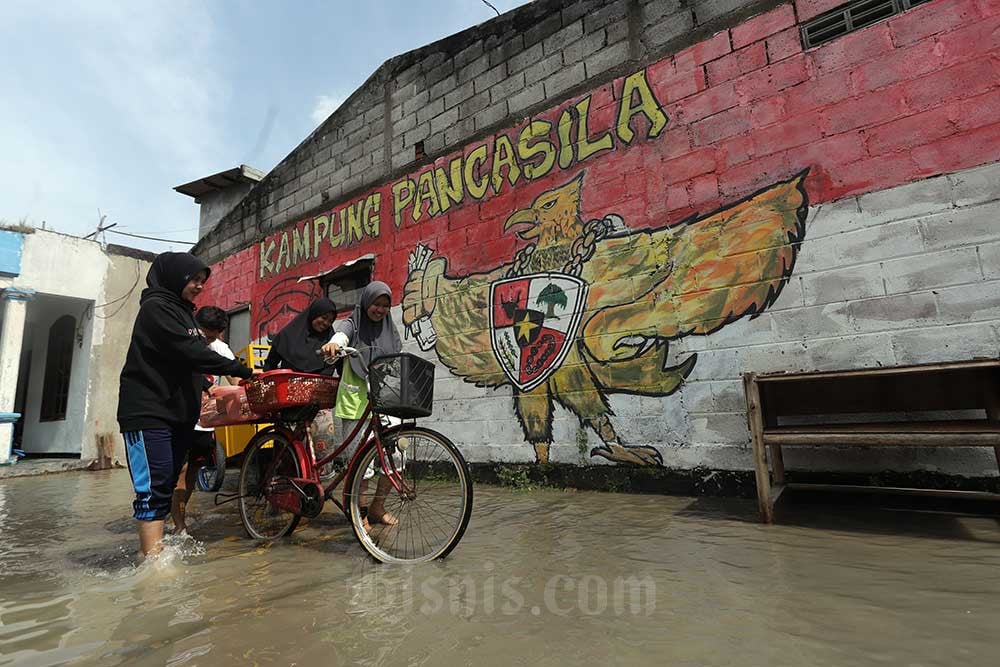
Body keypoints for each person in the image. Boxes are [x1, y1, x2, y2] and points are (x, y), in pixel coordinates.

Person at [118, 252, 254, 558]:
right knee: (154, 485)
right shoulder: (156, 308)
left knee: (167, 481)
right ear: (176, 277)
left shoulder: (184, 313)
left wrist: (207, 388)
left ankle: (158, 549)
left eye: (202, 282)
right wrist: (243, 371)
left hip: (179, 413)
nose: (198, 287)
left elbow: (184, 361)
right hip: (149, 412)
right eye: (194, 280)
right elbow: (190, 352)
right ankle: (151, 562)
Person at [321, 281, 402, 531]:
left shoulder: (390, 329)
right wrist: (335, 343)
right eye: (376, 304)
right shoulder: (353, 322)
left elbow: (397, 354)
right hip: (356, 402)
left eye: (385, 305)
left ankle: (378, 507)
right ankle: (361, 513)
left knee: (396, 458)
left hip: (385, 399)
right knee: (362, 465)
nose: (380, 309)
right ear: (366, 302)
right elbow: (341, 334)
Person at [171, 306, 238, 536]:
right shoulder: (182, 342)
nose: (208, 341)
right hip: (179, 417)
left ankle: (179, 517)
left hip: (204, 422)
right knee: (181, 469)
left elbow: (235, 377)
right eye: (205, 335)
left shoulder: (220, 349)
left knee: (192, 472)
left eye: (213, 337)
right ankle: (178, 524)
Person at [263, 298, 339, 474]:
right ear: (313, 314)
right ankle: (283, 488)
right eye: (323, 317)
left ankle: (317, 486)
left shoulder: (330, 341)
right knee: (288, 449)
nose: (326, 323)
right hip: (290, 401)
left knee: (323, 446)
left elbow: (337, 365)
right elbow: (271, 364)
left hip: (317, 401)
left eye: (330, 320)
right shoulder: (288, 335)